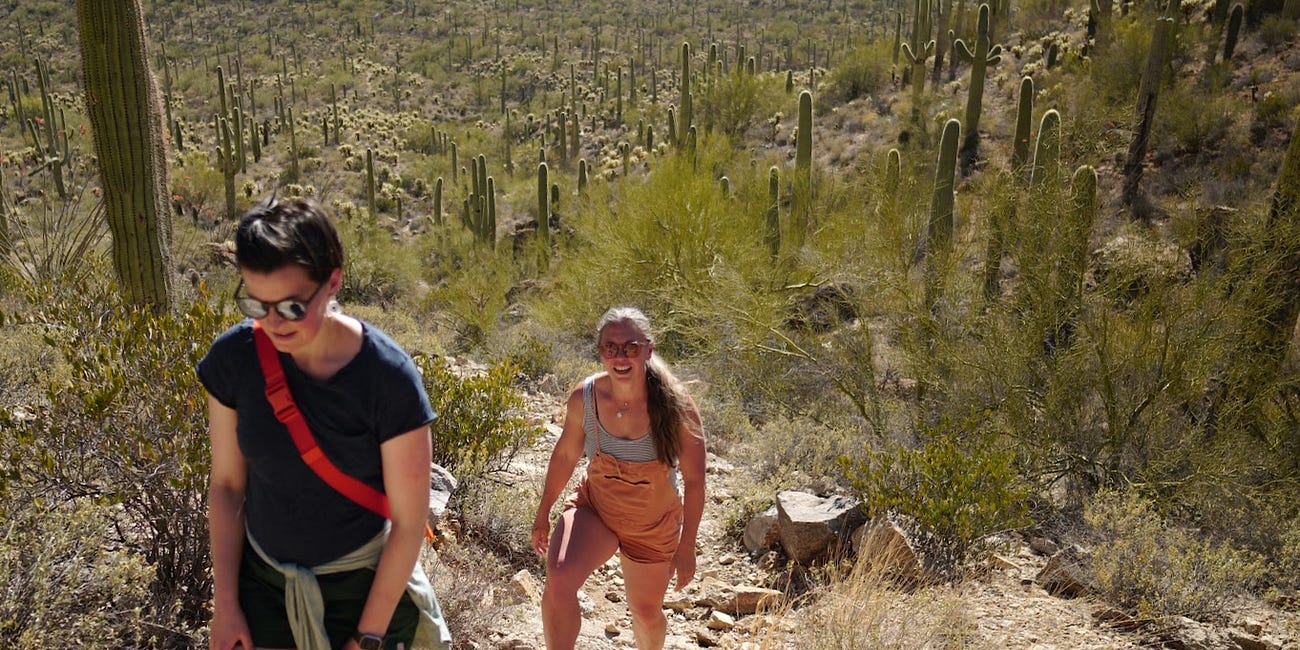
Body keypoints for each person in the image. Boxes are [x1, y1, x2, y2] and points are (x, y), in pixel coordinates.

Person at [198, 197, 451, 650]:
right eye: (257, 305)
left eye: (292, 307)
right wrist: (227, 604)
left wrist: (367, 636)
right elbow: (227, 486)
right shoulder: (234, 359)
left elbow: (410, 525)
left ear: (333, 281)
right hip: (265, 587)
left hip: (365, 587)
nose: (273, 323)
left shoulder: (388, 378)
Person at [531, 307, 707, 650]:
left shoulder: (677, 406)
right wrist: (543, 513)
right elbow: (566, 456)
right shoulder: (585, 397)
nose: (621, 356)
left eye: (631, 347)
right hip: (596, 509)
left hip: (652, 526)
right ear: (600, 351)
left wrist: (687, 546)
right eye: (611, 347)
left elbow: (695, 481)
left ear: (648, 350)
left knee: (644, 612)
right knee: (559, 580)